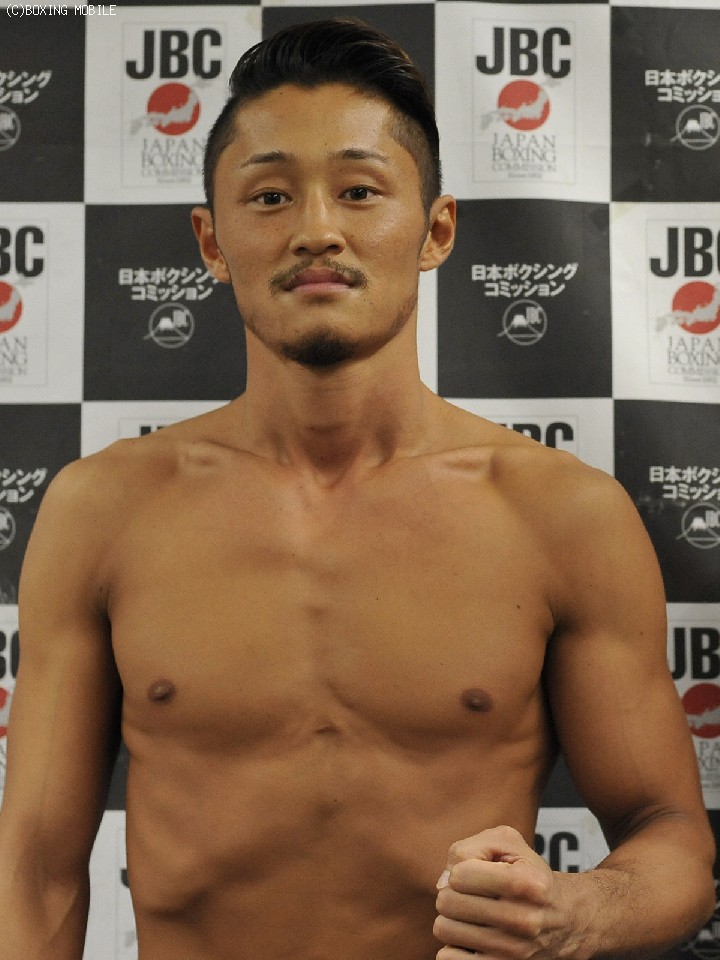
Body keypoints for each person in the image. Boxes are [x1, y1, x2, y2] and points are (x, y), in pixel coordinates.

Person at [0, 18, 714, 960]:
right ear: (211, 241)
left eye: (360, 190)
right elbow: (37, 868)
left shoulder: (563, 516)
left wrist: (577, 911)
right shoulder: (103, 512)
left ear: (436, 229)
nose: (316, 230)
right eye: (269, 196)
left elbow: (673, 837)